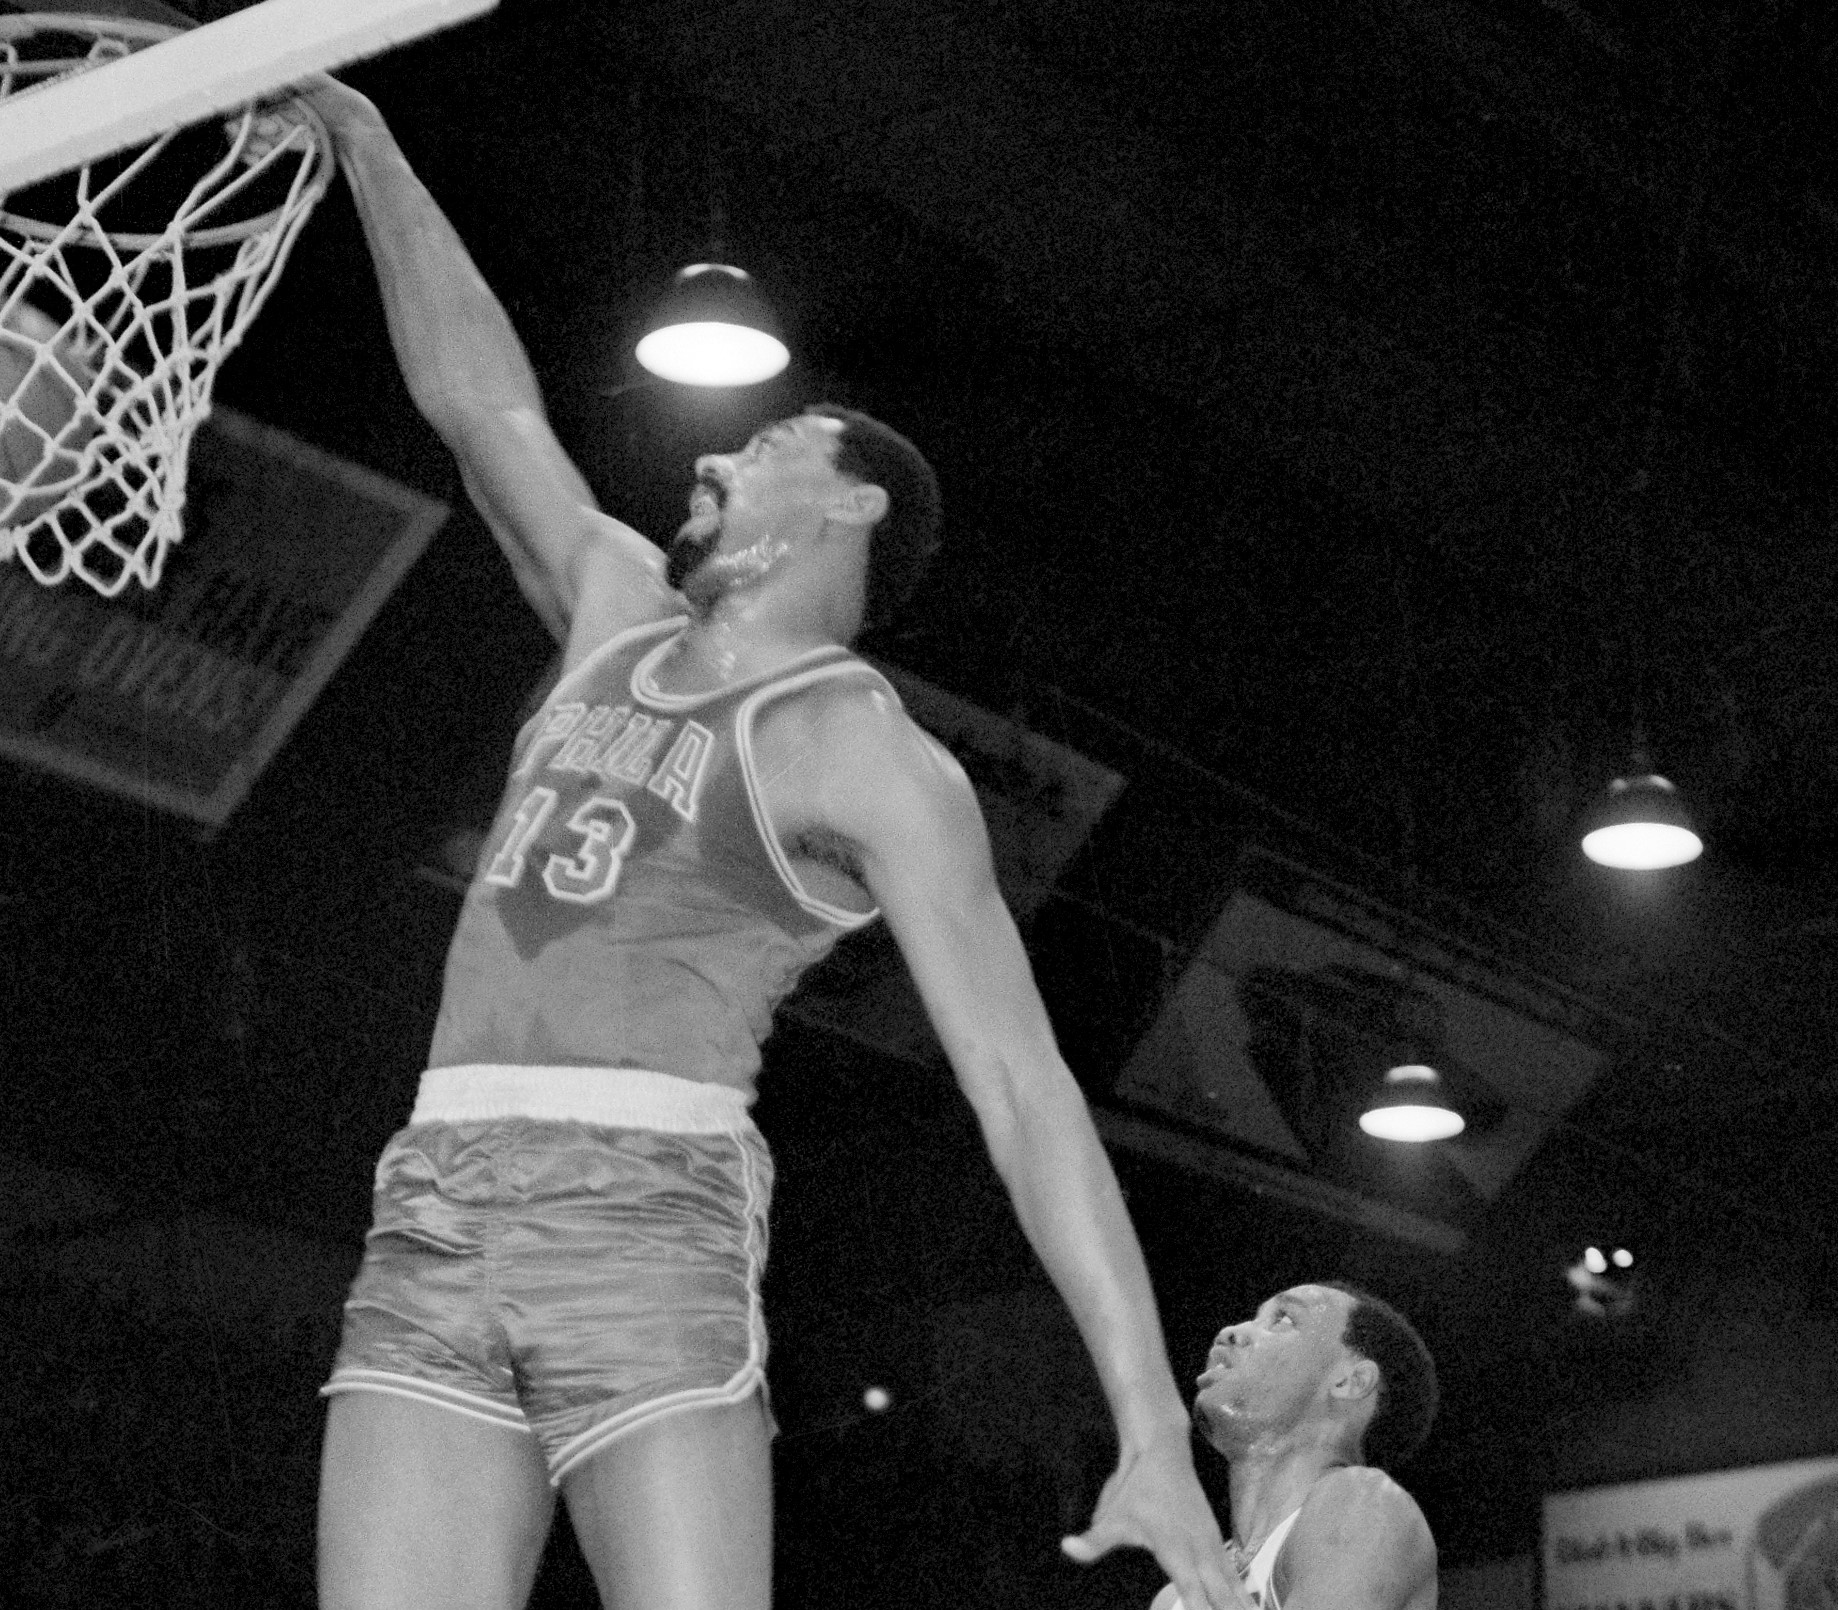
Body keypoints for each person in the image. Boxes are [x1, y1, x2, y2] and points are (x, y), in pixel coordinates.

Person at [301, 79, 1249, 1610]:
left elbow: (1021, 1089)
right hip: (434, 1198)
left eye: (766, 439)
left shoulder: (866, 751)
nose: (712, 454)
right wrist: (368, 142)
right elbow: (481, 407)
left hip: (645, 1213)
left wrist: (1146, 1421)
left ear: (853, 497)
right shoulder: (613, 606)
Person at [1159, 1282, 1440, 1610]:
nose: (1231, 1332)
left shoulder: (1367, 1504)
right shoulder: (1178, 1593)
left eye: (1283, 1320)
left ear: (1350, 1381)